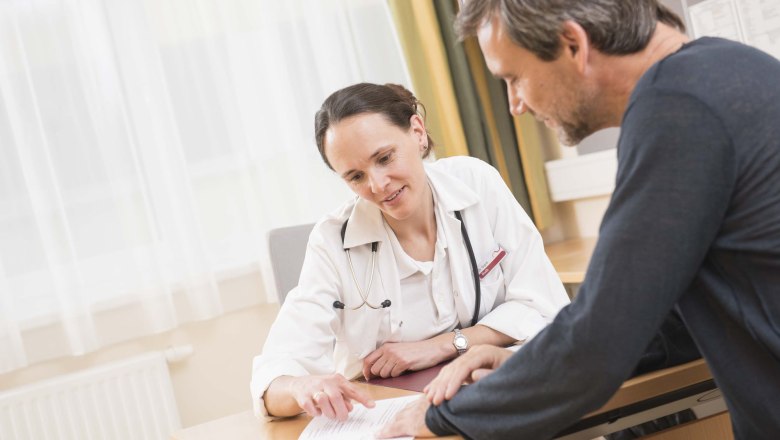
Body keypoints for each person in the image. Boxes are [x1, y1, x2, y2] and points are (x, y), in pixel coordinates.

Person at [379, 0, 780, 439]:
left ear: (573, 43)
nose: (515, 104)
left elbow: (598, 340)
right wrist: (523, 366)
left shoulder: (679, 112)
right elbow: (664, 320)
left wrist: (442, 415)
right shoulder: (731, 69)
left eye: (514, 78)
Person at [250, 82, 571, 421]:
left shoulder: (476, 184)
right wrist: (301, 387)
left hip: (497, 389)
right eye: (356, 176)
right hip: (396, 412)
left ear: (417, 131)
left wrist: (442, 345)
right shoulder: (332, 242)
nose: (377, 185)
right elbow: (273, 379)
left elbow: (546, 305)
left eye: (385, 158)